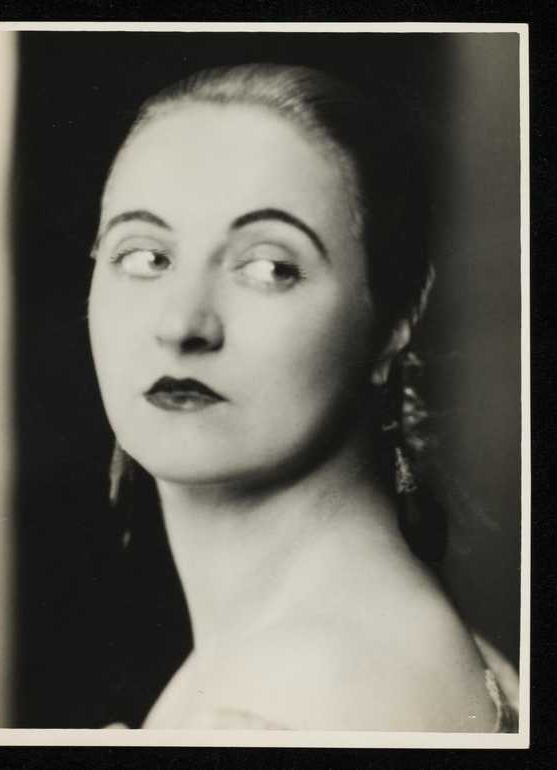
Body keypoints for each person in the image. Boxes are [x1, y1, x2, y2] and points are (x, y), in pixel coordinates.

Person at [87, 63, 518, 731]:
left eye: (268, 267)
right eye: (145, 256)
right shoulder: (322, 644)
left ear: (394, 318)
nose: (181, 324)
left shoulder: (315, 686)